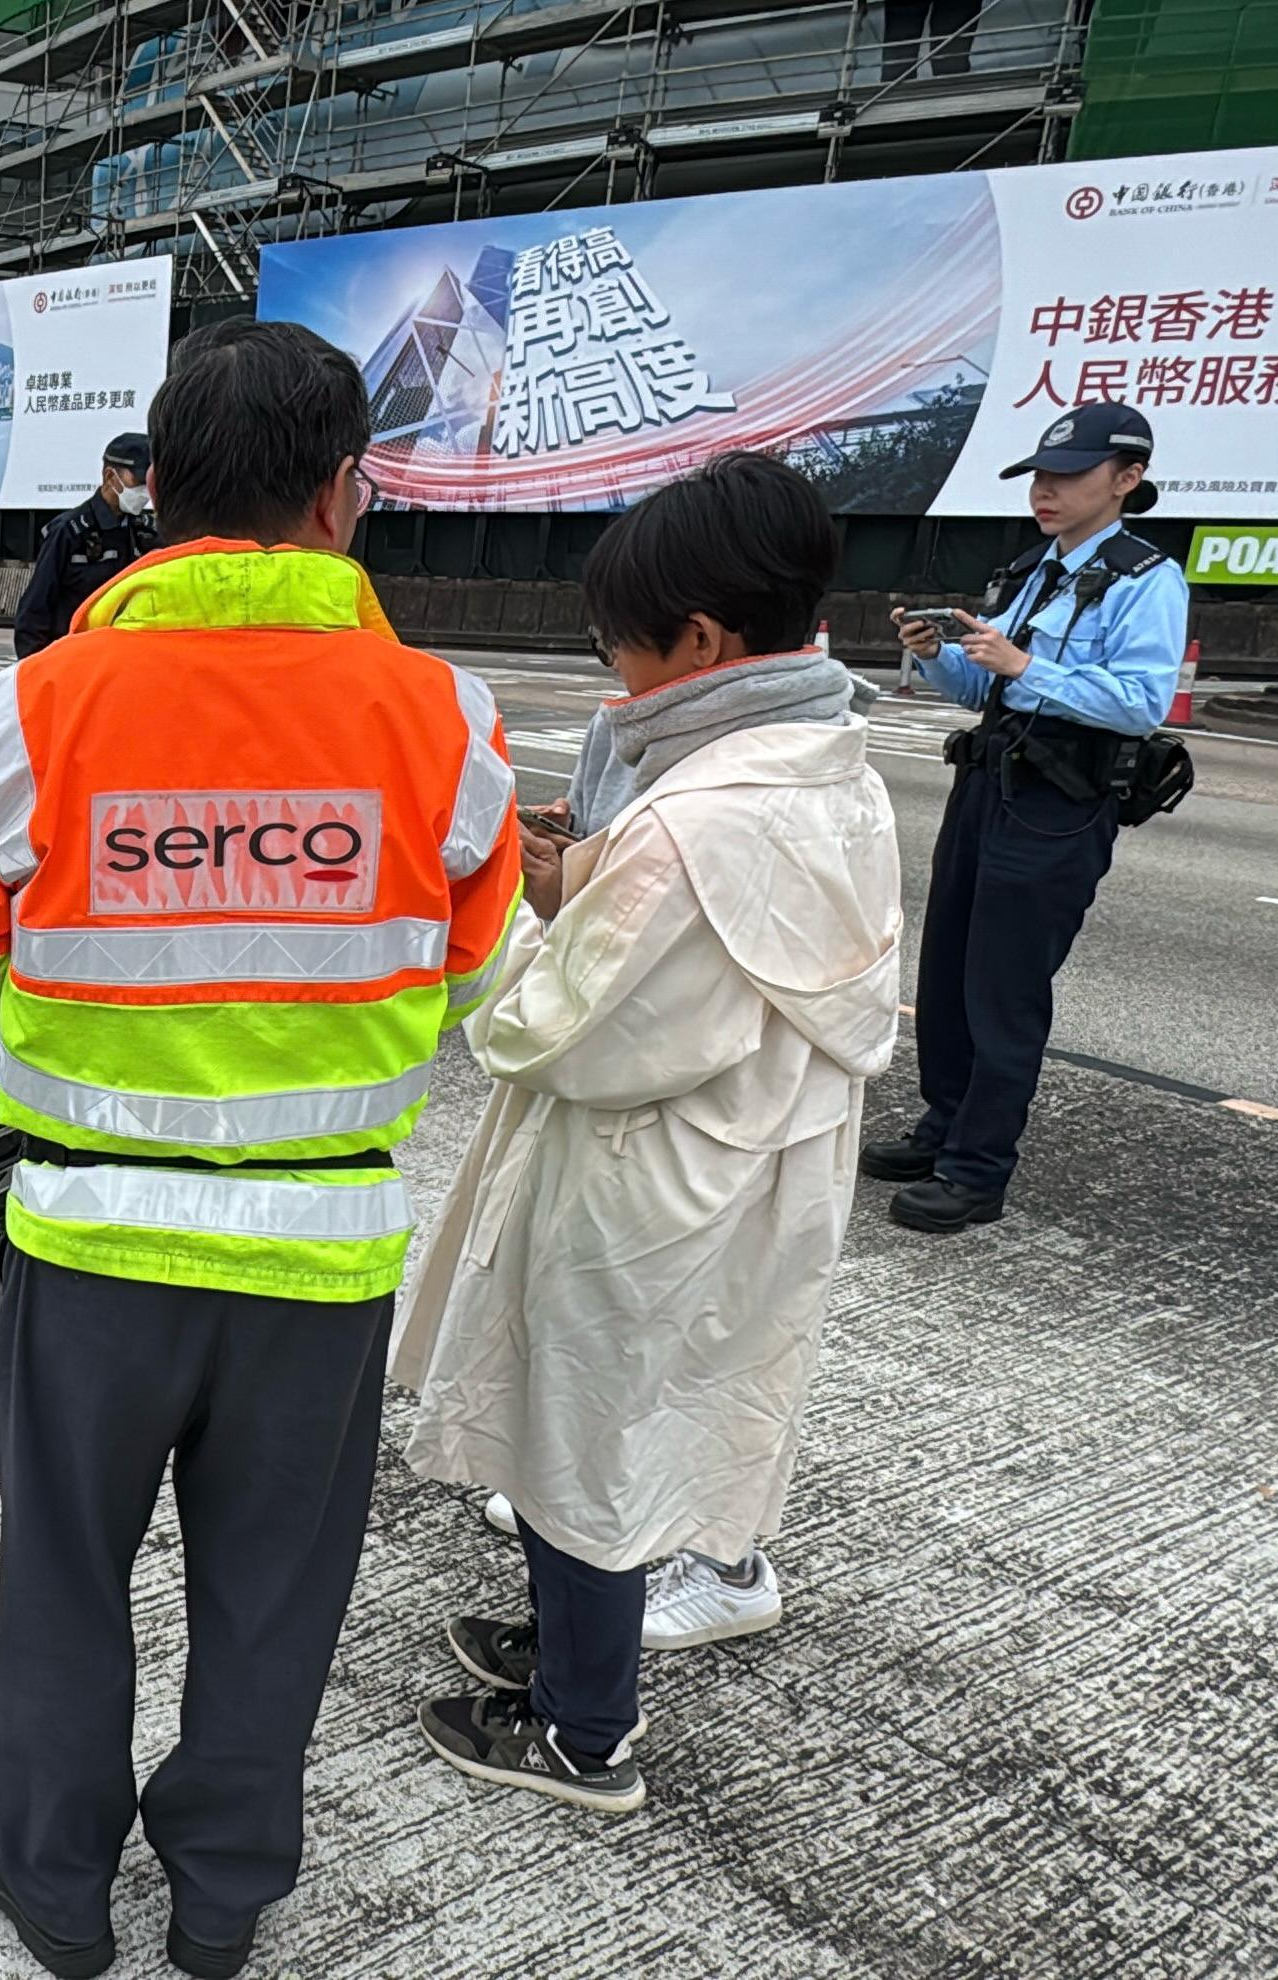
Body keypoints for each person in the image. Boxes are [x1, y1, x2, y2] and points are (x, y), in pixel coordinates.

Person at [0, 320, 520, 1978]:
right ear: (345, 493)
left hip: (90, 1241)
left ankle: (49, 1878)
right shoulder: (450, 722)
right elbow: (468, 972)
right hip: (321, 1257)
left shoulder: (25, 712)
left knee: (63, 1579)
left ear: (155, 494)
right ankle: (226, 1896)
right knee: (274, 1597)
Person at [394, 452, 902, 1814]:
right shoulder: (834, 770)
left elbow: (549, 1031)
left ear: (700, 639)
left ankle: (583, 1728)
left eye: (621, 646)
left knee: (582, 1440)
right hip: (758, 1168)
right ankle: (573, 1651)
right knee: (635, 1426)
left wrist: (529, 909)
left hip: (643, 1187)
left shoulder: (689, 822)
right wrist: (595, 883)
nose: (613, 672)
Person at [878, 402, 1188, 1232]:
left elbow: (1140, 703)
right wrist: (939, 654)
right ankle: (942, 1128)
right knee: (946, 971)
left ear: (1126, 479)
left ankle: (978, 1170)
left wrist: (1027, 663)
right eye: (1040, 477)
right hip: (987, 784)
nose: (1046, 492)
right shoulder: (1028, 571)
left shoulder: (1145, 579)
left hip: (1058, 803)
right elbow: (988, 691)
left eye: (1069, 476)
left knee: (1005, 990)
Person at [9, 432, 157, 657]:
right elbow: (33, 613)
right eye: (137, 482)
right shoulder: (69, 532)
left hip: (123, 663)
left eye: (148, 484)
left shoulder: (146, 532)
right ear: (110, 476)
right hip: (74, 662)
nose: (144, 493)